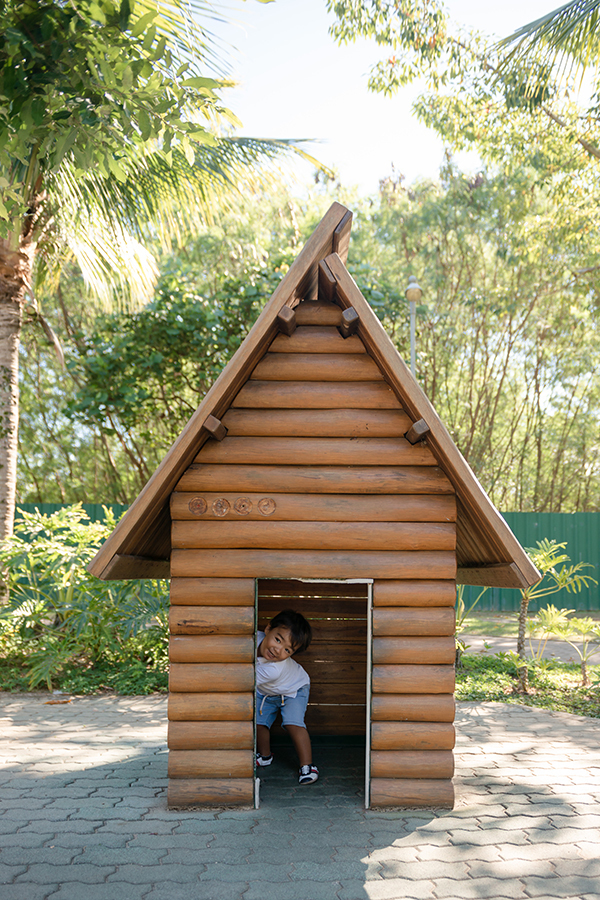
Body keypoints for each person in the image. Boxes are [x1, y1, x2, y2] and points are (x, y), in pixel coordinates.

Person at [255, 609, 319, 785]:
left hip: (294, 689)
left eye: (287, 650)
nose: (278, 650)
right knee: (259, 723)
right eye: (277, 639)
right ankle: (265, 756)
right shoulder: (255, 637)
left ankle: (307, 766)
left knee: (293, 723)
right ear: (268, 629)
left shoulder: (274, 669)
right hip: (268, 691)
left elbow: (243, 678)